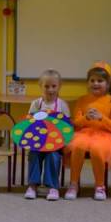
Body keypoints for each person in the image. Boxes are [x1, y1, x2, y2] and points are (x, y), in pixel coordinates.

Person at [65, 61, 111, 201]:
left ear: (108, 84)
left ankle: (100, 186)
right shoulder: (82, 100)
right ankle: (73, 184)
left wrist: (102, 118)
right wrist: (86, 118)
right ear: (88, 82)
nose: (95, 83)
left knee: (97, 149)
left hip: (105, 136)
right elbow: (76, 123)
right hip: (84, 133)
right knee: (77, 146)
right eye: (92, 80)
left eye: (100, 81)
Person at [24, 69, 71, 200]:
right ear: (41, 86)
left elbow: (67, 126)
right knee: (34, 154)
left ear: (59, 86)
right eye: (46, 86)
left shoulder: (62, 105)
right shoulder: (36, 104)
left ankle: (52, 187)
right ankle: (33, 185)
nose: (50, 90)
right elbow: (29, 123)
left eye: (54, 86)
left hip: (55, 143)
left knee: (53, 156)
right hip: (38, 142)